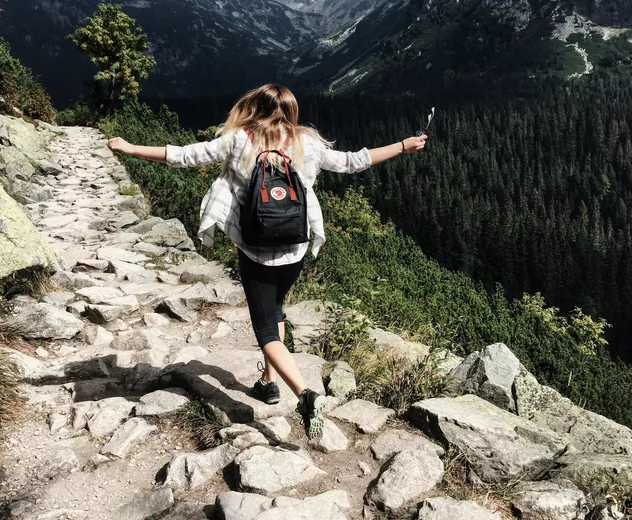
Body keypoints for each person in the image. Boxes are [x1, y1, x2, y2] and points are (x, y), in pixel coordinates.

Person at [107, 84, 427, 438]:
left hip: (256, 250)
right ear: (291, 111)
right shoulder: (307, 142)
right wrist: (403, 145)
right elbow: (354, 162)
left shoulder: (237, 139)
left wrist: (131, 147)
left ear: (254, 108)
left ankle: (304, 395)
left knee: (264, 328)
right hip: (295, 248)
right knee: (276, 310)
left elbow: (186, 155)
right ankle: (267, 382)